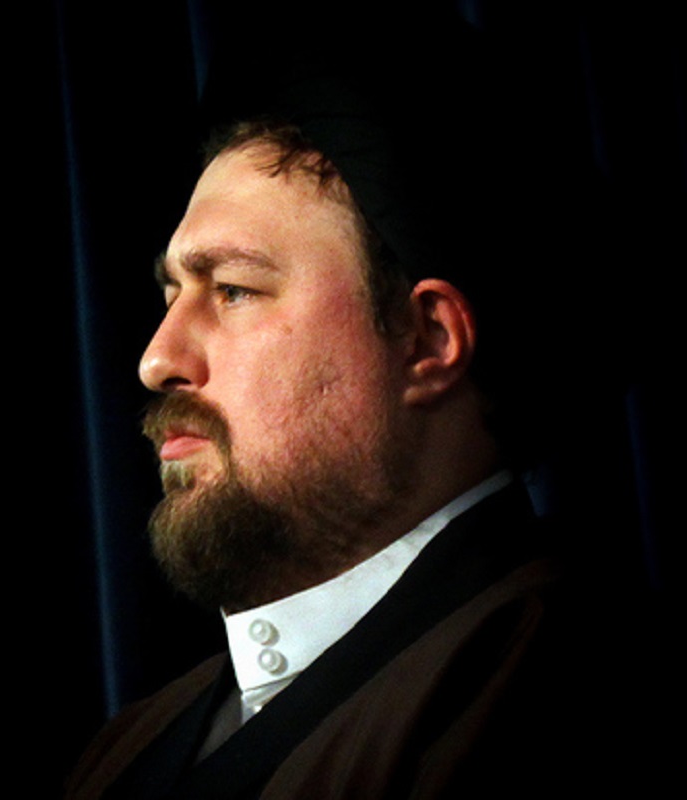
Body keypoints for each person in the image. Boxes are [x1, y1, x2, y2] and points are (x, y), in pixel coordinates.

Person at [65, 8, 670, 799]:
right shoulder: (126, 748)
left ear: (427, 340)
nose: (156, 361)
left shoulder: (569, 699)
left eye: (235, 290)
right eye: (172, 294)